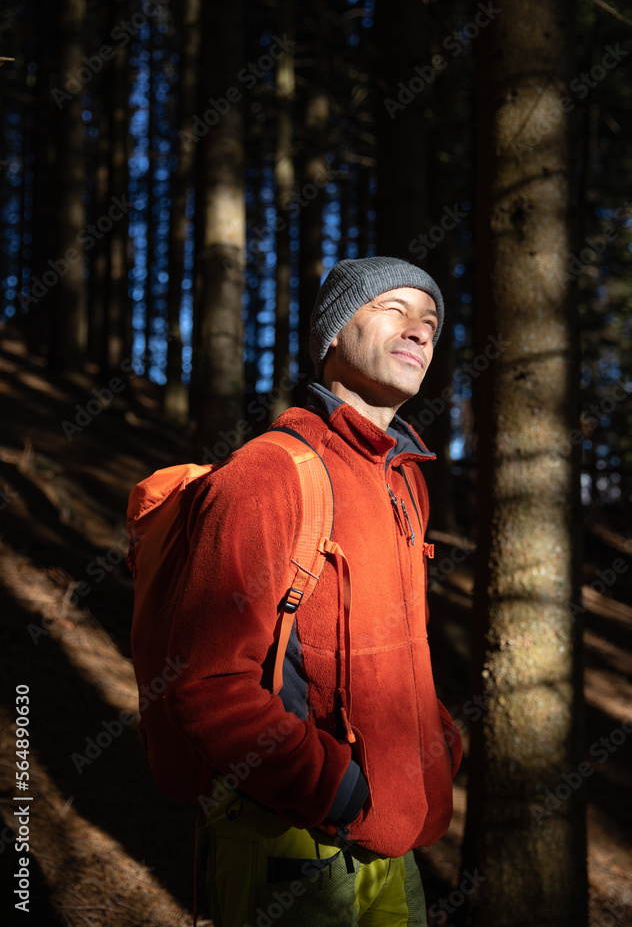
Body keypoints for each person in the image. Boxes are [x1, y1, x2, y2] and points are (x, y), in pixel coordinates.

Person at [166, 256, 462, 927]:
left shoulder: (405, 479)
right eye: (393, 309)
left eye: (430, 321)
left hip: (393, 832)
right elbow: (205, 681)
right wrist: (334, 789)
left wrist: (438, 743)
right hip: (291, 834)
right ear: (331, 332)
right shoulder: (268, 473)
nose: (419, 330)